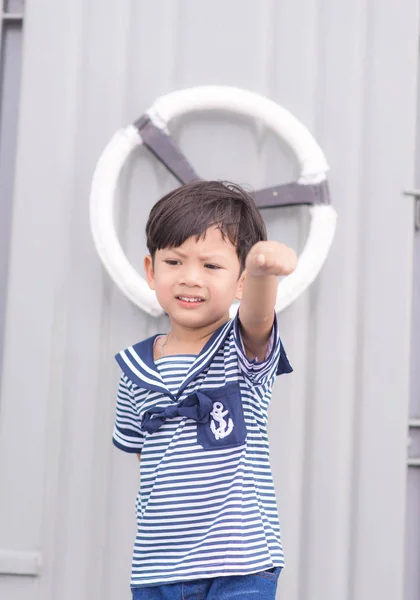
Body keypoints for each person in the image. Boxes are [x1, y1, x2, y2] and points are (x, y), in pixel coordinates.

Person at [113, 180, 297, 600]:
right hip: (157, 567)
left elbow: (257, 316)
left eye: (211, 266)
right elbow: (147, 462)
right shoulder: (133, 367)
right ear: (150, 270)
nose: (190, 278)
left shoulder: (240, 350)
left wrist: (265, 273)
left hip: (240, 564)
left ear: (240, 282)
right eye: (174, 262)